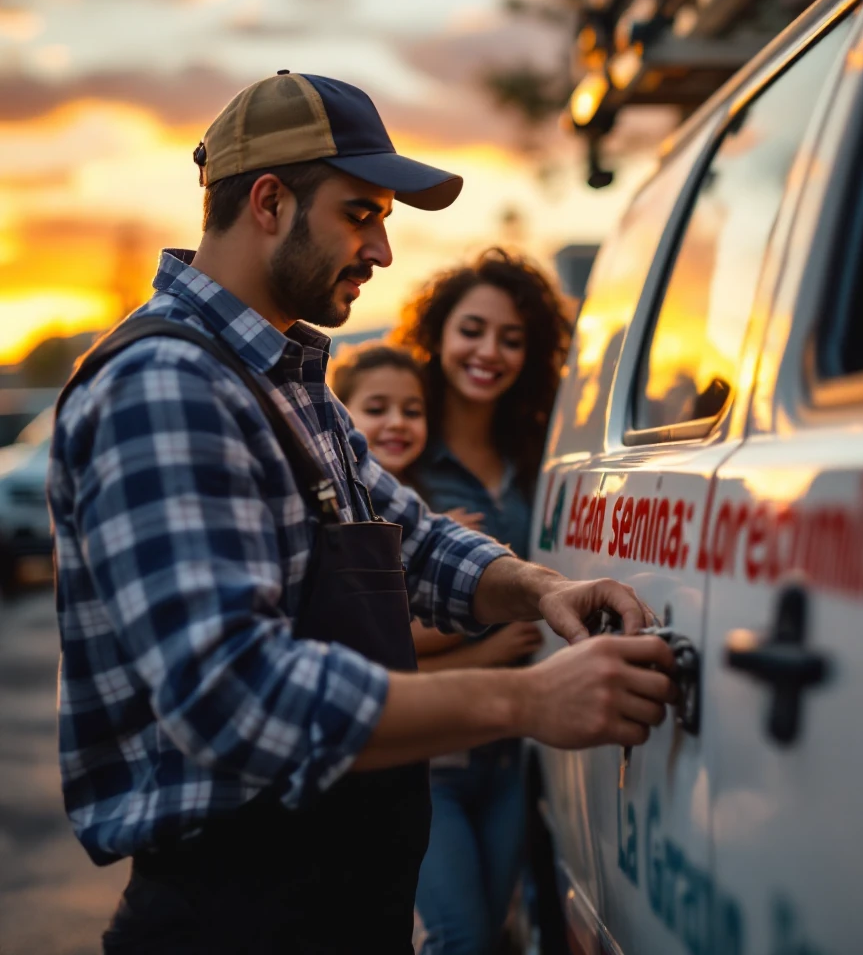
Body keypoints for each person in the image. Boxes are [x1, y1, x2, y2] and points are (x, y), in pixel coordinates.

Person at [46, 71, 677, 955]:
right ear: (270, 202)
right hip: (235, 922)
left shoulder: (284, 379)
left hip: (327, 905)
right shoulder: (166, 386)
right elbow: (231, 694)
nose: (381, 250)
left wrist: (541, 590)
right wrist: (527, 698)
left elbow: (408, 543)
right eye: (360, 214)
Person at [390, 250, 567, 954]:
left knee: (492, 937)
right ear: (436, 334)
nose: (489, 351)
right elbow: (371, 639)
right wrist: (492, 638)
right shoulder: (401, 463)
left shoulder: (540, 457)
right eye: (472, 330)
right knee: (460, 939)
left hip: (518, 755)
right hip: (432, 760)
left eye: (512, 338)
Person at [331, 342, 482, 531]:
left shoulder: (437, 485)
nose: (398, 423)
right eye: (376, 410)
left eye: (412, 412)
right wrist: (433, 533)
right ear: (340, 414)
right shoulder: (343, 500)